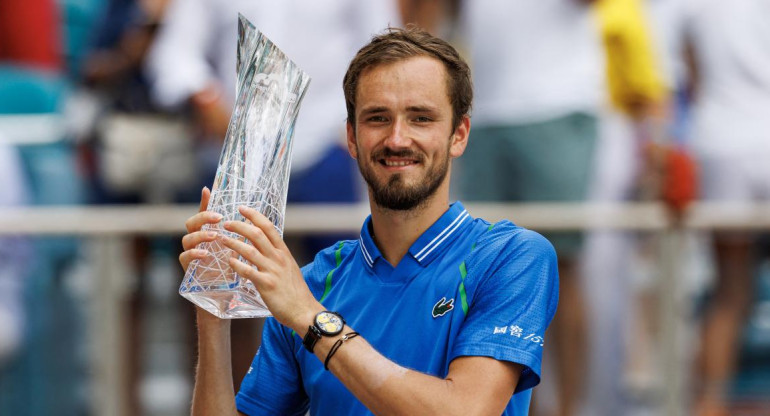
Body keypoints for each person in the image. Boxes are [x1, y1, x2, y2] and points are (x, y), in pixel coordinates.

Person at [179, 26, 559, 415]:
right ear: (352, 137)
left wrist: (313, 320)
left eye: (421, 118)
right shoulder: (308, 285)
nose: (397, 138)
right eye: (378, 118)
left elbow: (466, 410)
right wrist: (213, 314)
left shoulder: (512, 257)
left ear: (458, 135)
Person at [682, 1, 770, 414]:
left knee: (729, 289)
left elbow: (688, 69)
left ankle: (709, 403)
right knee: (731, 290)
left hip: (722, 141)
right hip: (741, 137)